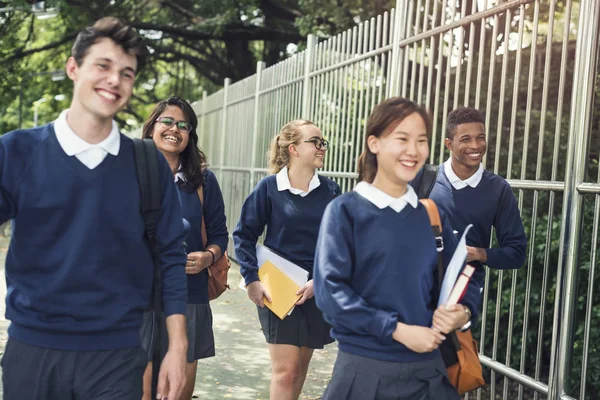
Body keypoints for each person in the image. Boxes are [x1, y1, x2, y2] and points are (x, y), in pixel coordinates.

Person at [0, 17, 188, 400]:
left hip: (116, 354)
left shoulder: (148, 165)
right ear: (73, 67)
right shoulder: (16, 151)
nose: (114, 80)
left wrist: (177, 347)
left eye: (127, 73)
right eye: (102, 66)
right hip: (32, 349)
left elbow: (171, 257)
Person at [313, 97, 481, 400]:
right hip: (365, 373)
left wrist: (463, 312)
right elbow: (330, 293)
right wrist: (397, 330)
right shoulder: (345, 212)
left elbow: (465, 278)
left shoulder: (431, 215)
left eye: (421, 140)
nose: (413, 151)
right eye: (401, 139)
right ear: (374, 143)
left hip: (428, 373)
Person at [233, 120, 340, 400]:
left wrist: (320, 280)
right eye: (315, 141)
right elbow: (243, 235)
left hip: (316, 291)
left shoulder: (331, 191)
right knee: (286, 372)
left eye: (323, 142)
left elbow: (339, 244)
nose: (322, 147)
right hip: (278, 291)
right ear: (293, 149)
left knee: (300, 368)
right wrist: (252, 279)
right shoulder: (269, 188)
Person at [140, 96, 228, 400]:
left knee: (179, 390)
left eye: (183, 125)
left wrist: (208, 256)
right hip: (140, 295)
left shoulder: (203, 180)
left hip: (190, 293)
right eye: (167, 121)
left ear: (190, 135)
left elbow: (219, 234)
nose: (174, 129)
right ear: (152, 126)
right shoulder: (131, 173)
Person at [429, 107, 527, 305]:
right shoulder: (424, 180)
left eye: (480, 137)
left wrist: (478, 253)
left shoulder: (498, 189)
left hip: (464, 297)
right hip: (418, 289)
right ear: (449, 144)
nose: (475, 145)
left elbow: (516, 253)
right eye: (465, 139)